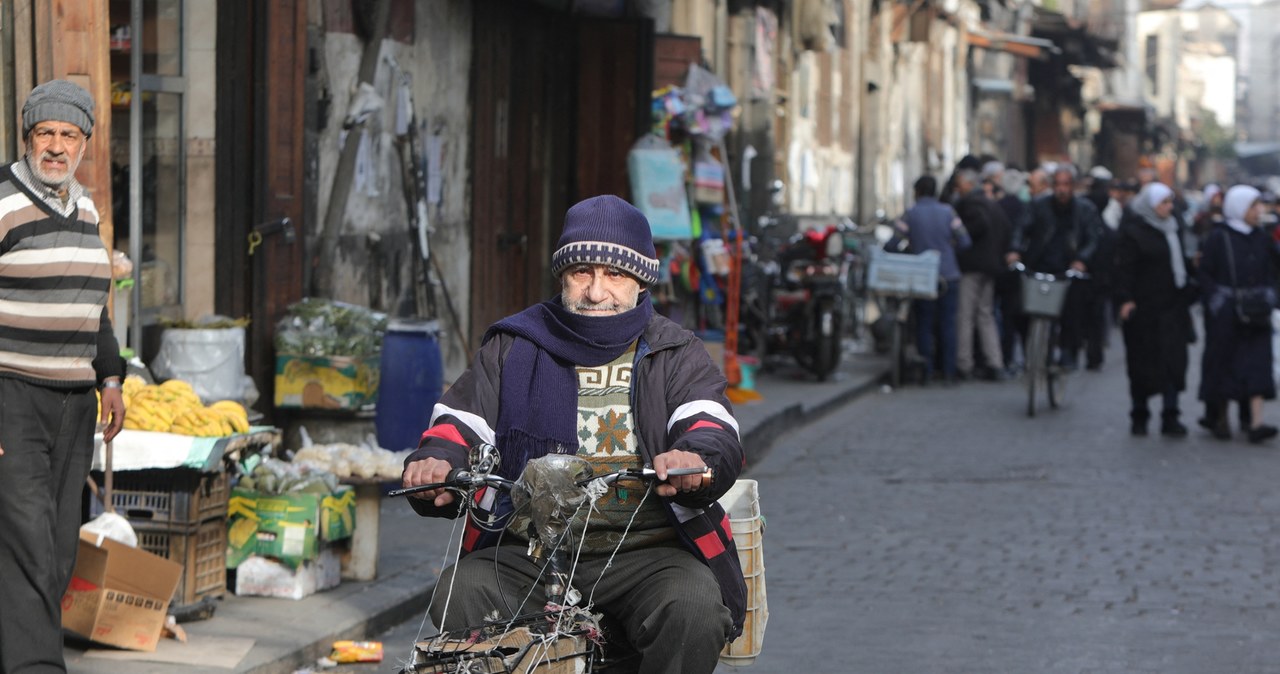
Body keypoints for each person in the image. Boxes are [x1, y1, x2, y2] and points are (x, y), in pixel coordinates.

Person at [400, 194, 745, 673]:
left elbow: (709, 422)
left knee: (693, 606)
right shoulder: (513, 346)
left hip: (647, 553)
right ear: (563, 275)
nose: (597, 292)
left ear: (641, 281)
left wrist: (696, 456)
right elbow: (462, 420)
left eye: (615, 275)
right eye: (582, 271)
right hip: (530, 553)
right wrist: (436, 458)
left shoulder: (675, 352)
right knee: (460, 592)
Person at [0, 80, 126, 674]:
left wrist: (112, 378)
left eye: (68, 135)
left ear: (84, 144)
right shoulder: (2, 200)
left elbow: (92, 305)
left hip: (75, 399)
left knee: (58, 542)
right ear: (27, 138)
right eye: (45, 133)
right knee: (26, 537)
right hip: (12, 393)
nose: (55, 146)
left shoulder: (87, 207)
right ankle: (37, 668)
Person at [1197, 185, 1280, 443]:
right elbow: (1205, 274)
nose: (1258, 211)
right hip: (1227, 316)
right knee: (1224, 365)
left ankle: (1256, 422)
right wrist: (1217, 301)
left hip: (1256, 313)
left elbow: (1274, 271)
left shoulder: (1262, 238)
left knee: (1257, 365)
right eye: (1253, 206)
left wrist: (1270, 295)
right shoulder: (1218, 237)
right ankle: (1221, 417)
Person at [1114, 183, 1196, 437]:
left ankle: (1170, 415)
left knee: (1173, 363)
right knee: (1142, 364)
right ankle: (1140, 414)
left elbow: (1180, 263)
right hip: (1144, 311)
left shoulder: (1174, 229)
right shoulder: (1133, 233)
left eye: (1170, 202)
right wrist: (1125, 299)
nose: (1168, 208)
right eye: (1163, 203)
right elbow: (1123, 269)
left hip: (1172, 308)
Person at [1008, 166, 1102, 369]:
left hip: (1068, 269)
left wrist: (1082, 260)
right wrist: (1014, 250)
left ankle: (1068, 352)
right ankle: (1032, 352)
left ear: (1073, 186)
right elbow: (1021, 228)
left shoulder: (1085, 210)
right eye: (1058, 184)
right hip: (1039, 265)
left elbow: (1093, 238)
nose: (1062, 189)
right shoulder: (1038, 206)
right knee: (1021, 309)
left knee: (1073, 309)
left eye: (1066, 184)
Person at [890, 175, 970, 385]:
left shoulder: (910, 214)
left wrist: (911, 250)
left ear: (917, 192)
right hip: (949, 274)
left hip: (922, 276)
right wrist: (947, 249)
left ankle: (926, 371)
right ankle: (949, 373)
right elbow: (965, 241)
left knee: (924, 324)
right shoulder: (948, 212)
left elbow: (892, 244)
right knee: (948, 324)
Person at [952, 169, 1009, 381]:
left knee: (965, 315)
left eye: (960, 183)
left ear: (968, 184)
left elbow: (979, 225)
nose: (957, 188)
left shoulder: (970, 204)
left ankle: (963, 363)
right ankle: (995, 362)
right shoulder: (992, 204)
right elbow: (1005, 230)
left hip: (972, 266)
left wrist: (961, 240)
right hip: (991, 266)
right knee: (985, 315)